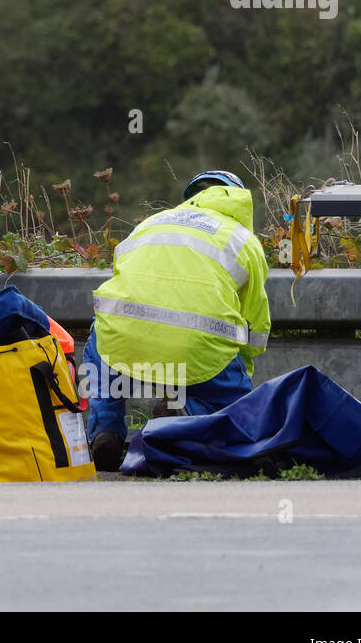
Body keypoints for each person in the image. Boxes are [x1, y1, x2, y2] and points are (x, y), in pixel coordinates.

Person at [84, 170, 271, 471]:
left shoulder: (149, 225)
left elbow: (125, 285)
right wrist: (238, 380)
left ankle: (105, 431)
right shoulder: (242, 240)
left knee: (100, 339)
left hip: (124, 341)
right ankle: (184, 410)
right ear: (238, 200)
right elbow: (255, 326)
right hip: (199, 350)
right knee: (240, 419)